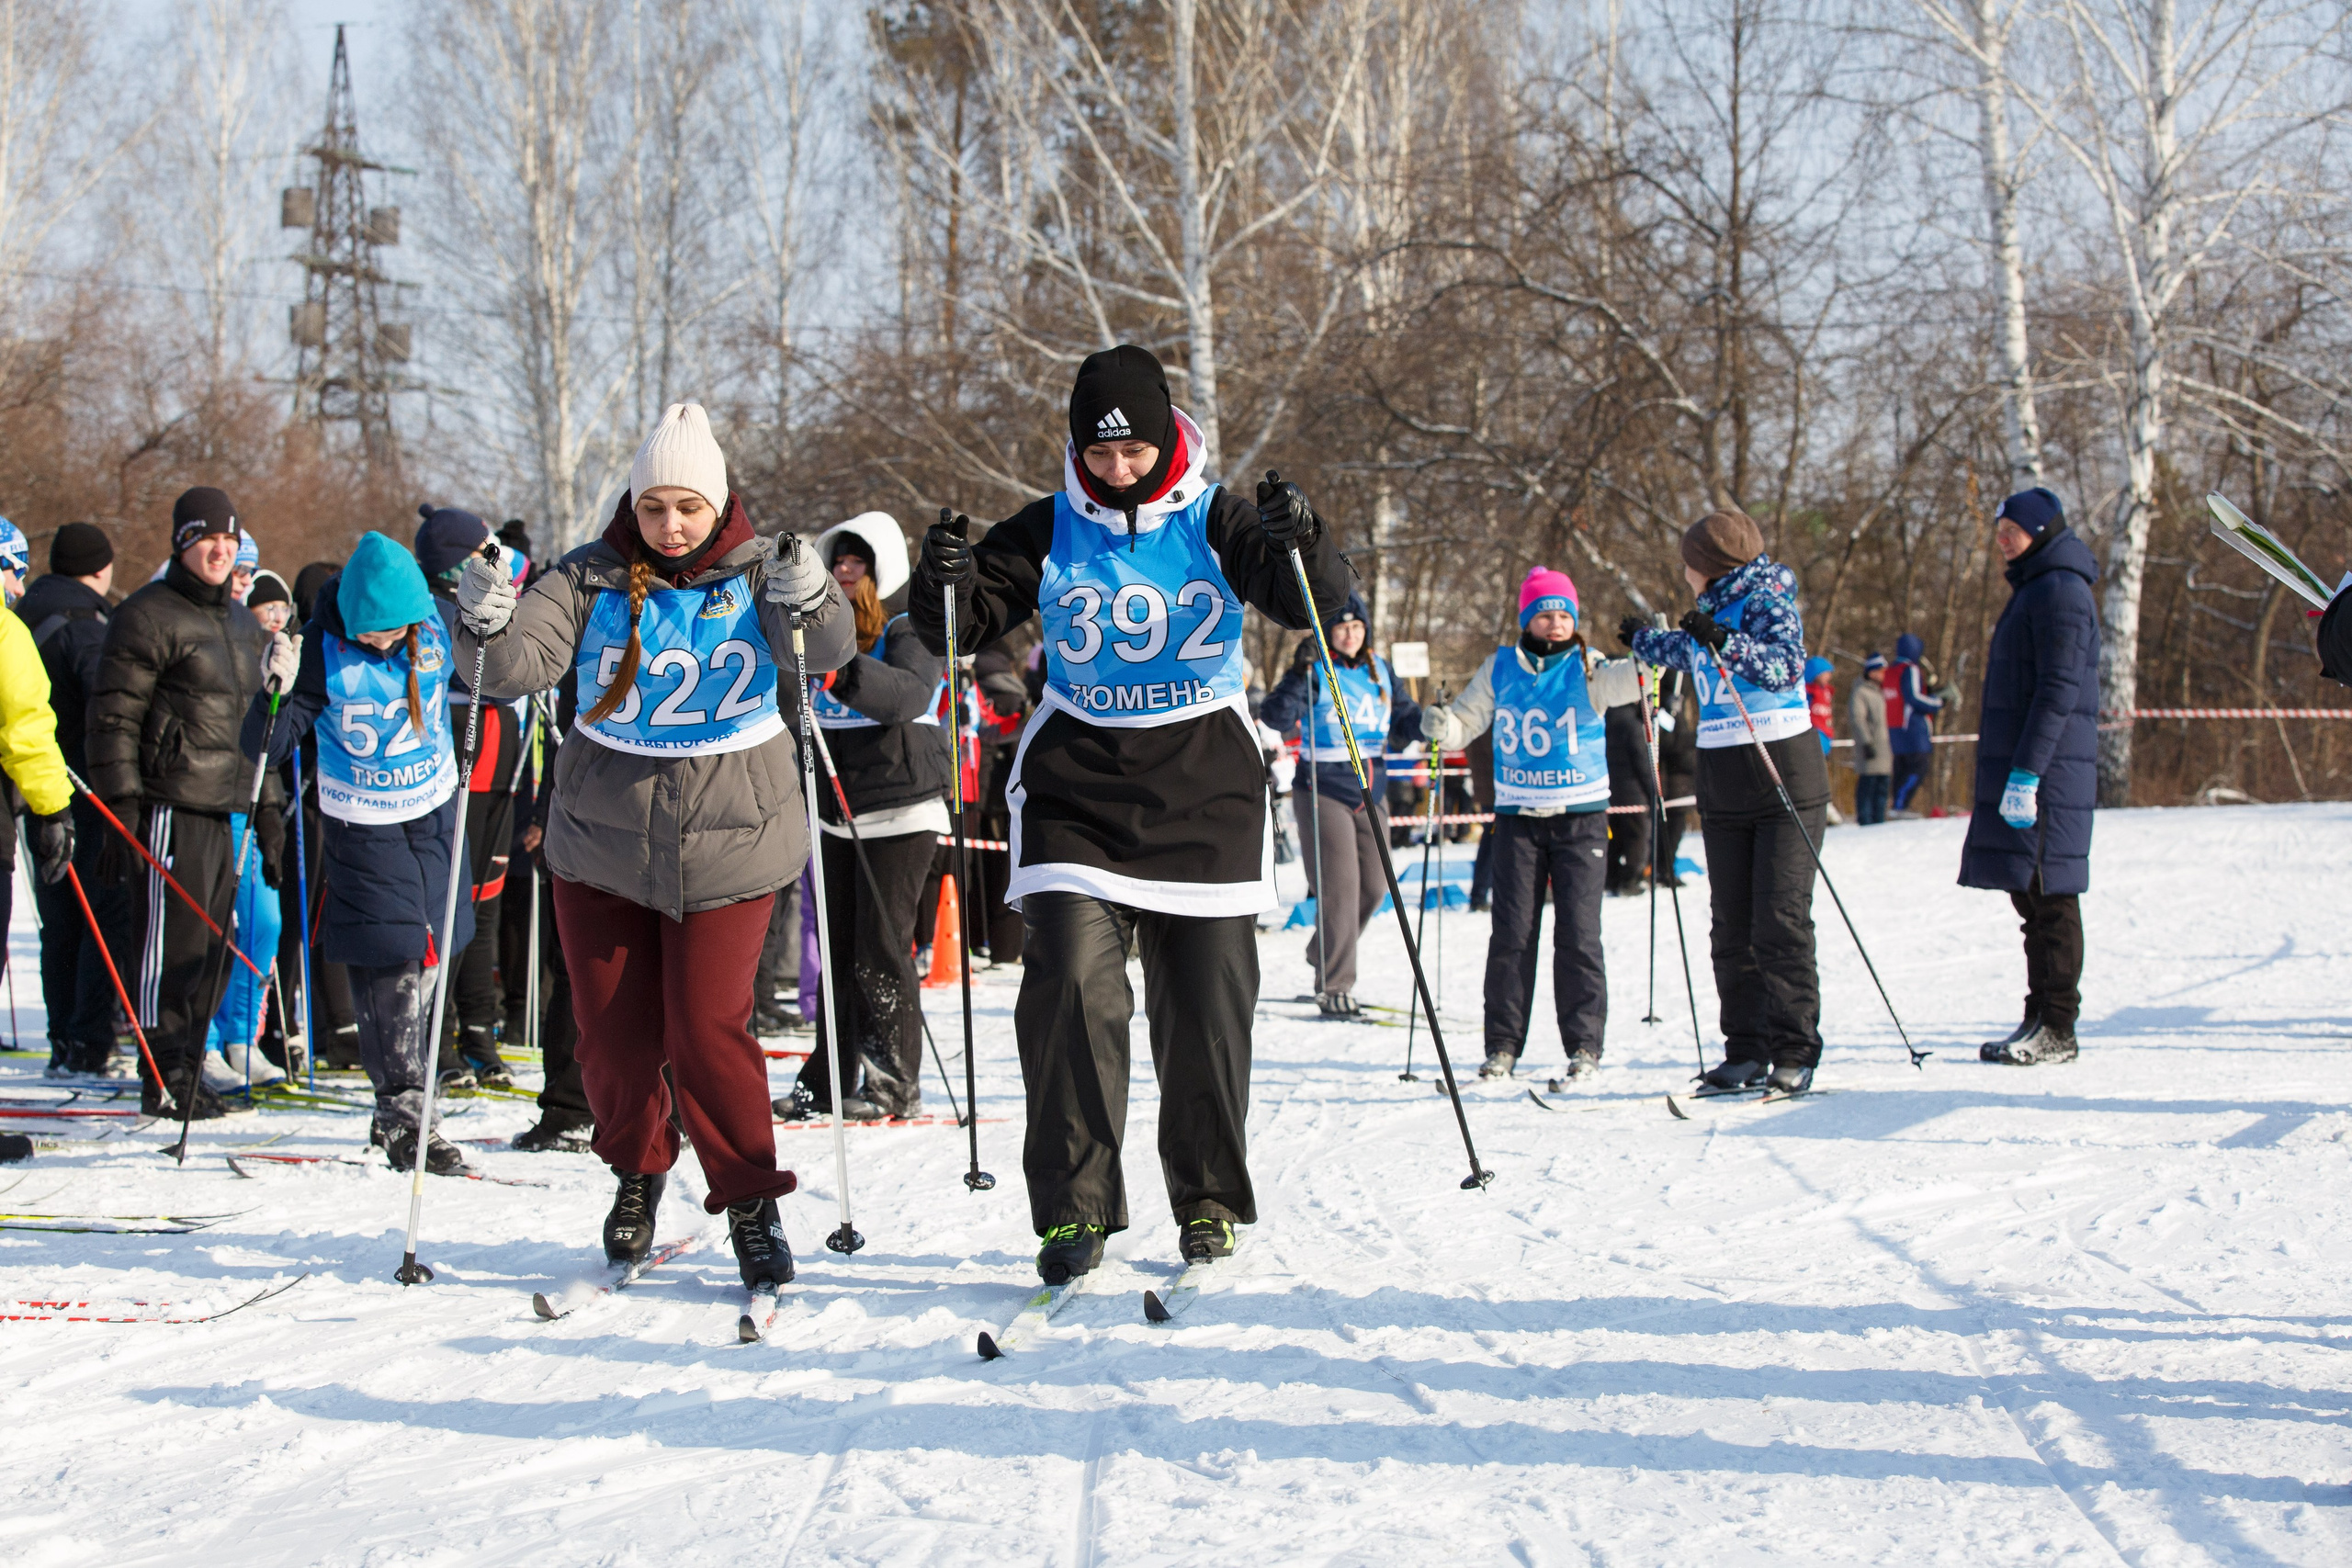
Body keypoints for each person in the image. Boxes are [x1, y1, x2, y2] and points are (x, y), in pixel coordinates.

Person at [909, 343, 1350, 1283]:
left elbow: (1317, 601)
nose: (1114, 471)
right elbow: (959, 623)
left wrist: (1300, 539)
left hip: (1205, 785)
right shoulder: (1047, 526)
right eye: (1098, 454)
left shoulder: (1218, 517)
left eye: (1132, 454)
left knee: (1204, 1008)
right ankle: (1074, 1211)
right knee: (1067, 983)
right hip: (1080, 787)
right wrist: (942, 579)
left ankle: (1207, 1200)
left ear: (1163, 440)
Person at [451, 401, 849, 1290]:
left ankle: (750, 1199)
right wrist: (479, 622)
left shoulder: (760, 571)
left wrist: (812, 594)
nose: (671, 527)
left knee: (707, 1031)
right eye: (656, 507)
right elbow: (511, 667)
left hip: (733, 844)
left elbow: (825, 649)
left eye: (689, 509)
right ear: (635, 505)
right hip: (603, 845)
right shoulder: (589, 579)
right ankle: (640, 1168)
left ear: (718, 505)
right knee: (613, 1041)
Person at [239, 532, 477, 1170]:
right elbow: (268, 742)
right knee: (390, 967)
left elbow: (492, 672)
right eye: (373, 632)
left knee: (434, 958)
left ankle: (418, 1095)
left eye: (393, 629)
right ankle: (404, 1115)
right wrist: (274, 694)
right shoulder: (320, 648)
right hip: (363, 822)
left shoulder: (431, 625)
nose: (382, 640)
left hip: (433, 812)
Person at [86, 488, 278, 1119]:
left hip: (231, 808)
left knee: (215, 947)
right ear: (182, 542)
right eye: (207, 538)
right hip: (171, 802)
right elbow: (113, 716)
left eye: (230, 538)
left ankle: (192, 1064)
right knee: (170, 947)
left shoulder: (244, 623)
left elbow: (260, 726)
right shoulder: (148, 614)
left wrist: (271, 808)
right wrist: (122, 806)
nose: (220, 549)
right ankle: (162, 1068)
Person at [1624, 508, 1827, 1095]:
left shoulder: (1766, 599)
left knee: (1780, 919)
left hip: (1781, 771)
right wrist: (1642, 639)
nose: (1685, 570)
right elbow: (1691, 655)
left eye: (1690, 560)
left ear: (1708, 565)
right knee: (1730, 925)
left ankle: (1794, 1048)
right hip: (1724, 778)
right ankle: (1745, 1049)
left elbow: (1784, 666)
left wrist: (1724, 640)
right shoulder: (1711, 608)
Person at [1424, 567, 1641, 1085]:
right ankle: (1502, 1045)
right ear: (1527, 618)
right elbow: (1465, 722)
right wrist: (1441, 725)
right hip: (1518, 818)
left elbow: (1632, 683)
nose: (1557, 622)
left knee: (1579, 934)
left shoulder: (1589, 666)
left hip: (1581, 817)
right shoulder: (1501, 667)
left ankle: (1584, 1045)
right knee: (1512, 935)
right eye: (1546, 613)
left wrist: (1649, 656)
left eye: (1565, 613)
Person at [782, 511, 947, 1122]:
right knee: (838, 948)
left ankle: (892, 1079)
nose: (846, 572)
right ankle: (827, 1077)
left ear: (881, 568)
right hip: (835, 807)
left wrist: (841, 669)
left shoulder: (908, 623)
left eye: (858, 563)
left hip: (898, 808)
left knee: (879, 948)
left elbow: (909, 693)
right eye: (839, 562)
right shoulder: (821, 626)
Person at [1960, 487, 2098, 1066]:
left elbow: (2059, 690)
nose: (2003, 542)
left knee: (2051, 898)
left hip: (2049, 773)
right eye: (1999, 532)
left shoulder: (2061, 591)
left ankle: (2058, 1027)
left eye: (2012, 532)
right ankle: (2037, 1017)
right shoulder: (2037, 588)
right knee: (2031, 900)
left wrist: (2027, 773)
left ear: (2041, 532)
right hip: (2032, 766)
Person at [1259, 592, 1418, 1018]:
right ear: (1329, 632)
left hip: (1370, 788)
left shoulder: (1379, 669)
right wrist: (1297, 672)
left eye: (1357, 626)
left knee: (1374, 886)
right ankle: (1335, 984)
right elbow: (1275, 717)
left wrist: (1429, 720)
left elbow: (1404, 717)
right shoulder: (1315, 670)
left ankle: (1322, 948)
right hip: (1324, 787)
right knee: (1339, 890)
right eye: (1342, 627)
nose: (1350, 634)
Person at [416, 505, 525, 1089]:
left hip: (499, 762)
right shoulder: (433, 611)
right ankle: (441, 1030)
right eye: (483, 550)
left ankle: (480, 1028)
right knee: (454, 905)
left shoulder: (481, 600)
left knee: (485, 901)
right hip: (457, 762)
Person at [16, 522, 124, 1077]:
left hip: (31, 786)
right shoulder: (86, 624)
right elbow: (102, 701)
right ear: (101, 569)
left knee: (57, 912)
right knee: (98, 912)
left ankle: (64, 1035)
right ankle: (88, 1040)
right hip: (81, 784)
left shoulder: (21, 613)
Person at [1, 520, 78, 993]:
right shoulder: (6, 633)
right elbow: (25, 726)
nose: (19, 586)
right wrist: (54, 808)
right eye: (15, 570)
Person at [1884, 632, 1953, 813]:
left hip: (1895, 728)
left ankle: (1897, 805)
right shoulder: (1910, 669)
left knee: (1901, 768)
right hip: (1913, 729)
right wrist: (1938, 702)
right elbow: (1913, 697)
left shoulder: (1891, 671)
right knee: (1919, 767)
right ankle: (1901, 805)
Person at [1849, 652, 1892, 826]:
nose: (1884, 675)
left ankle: (1879, 820)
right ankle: (1865, 821)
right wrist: (1866, 742)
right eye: (1881, 671)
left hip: (1885, 748)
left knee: (1882, 787)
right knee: (1868, 785)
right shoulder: (1861, 692)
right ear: (1872, 672)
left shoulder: (1882, 692)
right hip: (1870, 747)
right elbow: (1858, 719)